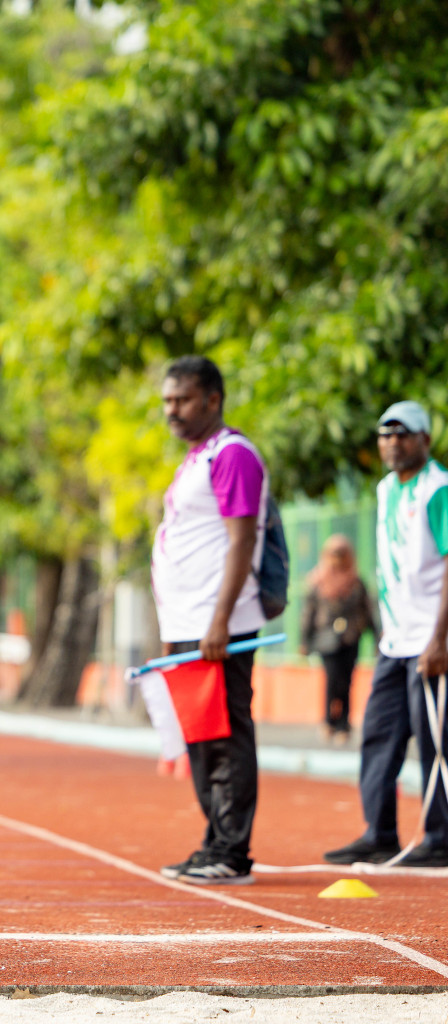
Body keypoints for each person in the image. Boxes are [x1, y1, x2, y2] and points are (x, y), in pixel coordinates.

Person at [152, 355, 270, 886]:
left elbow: (242, 539)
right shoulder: (196, 459)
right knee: (201, 736)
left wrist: (221, 619)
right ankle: (214, 841)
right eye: (167, 401)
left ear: (213, 400)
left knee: (225, 734)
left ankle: (232, 851)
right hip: (188, 621)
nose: (171, 410)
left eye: (182, 400)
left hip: (217, 624)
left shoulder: (232, 454)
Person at [324, 401, 448, 868]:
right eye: (385, 433)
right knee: (379, 733)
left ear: (425, 440)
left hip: (433, 640)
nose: (393, 441)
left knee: (437, 740)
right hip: (396, 641)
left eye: (403, 433)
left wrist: (439, 639)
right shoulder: (385, 490)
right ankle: (379, 832)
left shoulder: (439, 490)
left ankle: (441, 837)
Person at [299, 535, 375, 745]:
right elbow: (308, 613)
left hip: (350, 638)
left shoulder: (356, 582)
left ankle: (344, 724)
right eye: (334, 555)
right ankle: (328, 721)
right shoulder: (318, 581)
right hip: (326, 639)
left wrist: (376, 636)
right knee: (332, 680)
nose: (337, 560)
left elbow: (367, 610)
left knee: (347, 682)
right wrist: (304, 640)